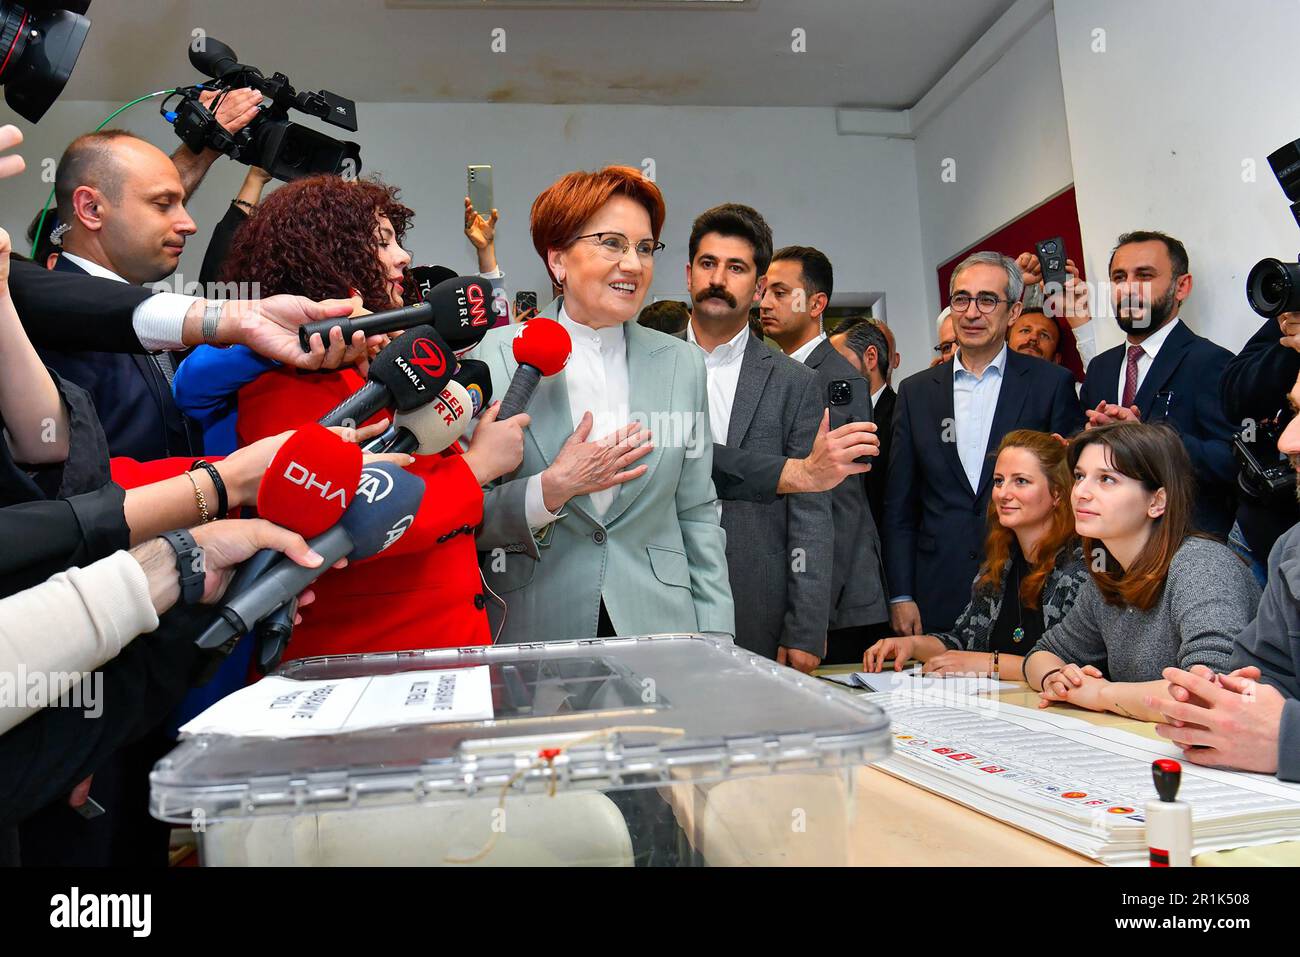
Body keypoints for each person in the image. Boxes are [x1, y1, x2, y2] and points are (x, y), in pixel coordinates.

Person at [225, 173, 528, 658]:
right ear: (327, 257)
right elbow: (339, 525)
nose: (404, 258)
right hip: (360, 661)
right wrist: (477, 468)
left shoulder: (392, 363)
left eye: (397, 241)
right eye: (383, 243)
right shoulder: (284, 381)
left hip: (440, 655)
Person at [472, 166, 734, 643]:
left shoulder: (681, 364)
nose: (633, 264)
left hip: (659, 626)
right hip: (535, 623)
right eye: (611, 243)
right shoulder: (494, 356)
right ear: (558, 260)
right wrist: (548, 490)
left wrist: (717, 636)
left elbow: (696, 511)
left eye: (644, 247)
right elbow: (464, 512)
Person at [885, 251, 1084, 636]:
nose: (971, 312)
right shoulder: (916, 393)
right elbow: (899, 506)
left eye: (987, 300)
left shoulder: (1050, 384)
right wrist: (900, 595)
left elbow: (1068, 496)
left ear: (1013, 313)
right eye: (961, 299)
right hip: (935, 590)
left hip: (1026, 587)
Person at [1024, 423, 1260, 721]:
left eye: (1107, 479)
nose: (1081, 492)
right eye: (1080, 476)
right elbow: (1041, 654)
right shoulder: (1107, 573)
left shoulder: (1202, 565)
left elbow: (1208, 694)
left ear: (1157, 501)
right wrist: (1057, 678)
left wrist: (1100, 694)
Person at [681, 209, 830, 671]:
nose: (718, 279)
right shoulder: (644, 363)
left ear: (759, 287)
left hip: (756, 597)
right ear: (688, 275)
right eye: (707, 264)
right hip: (656, 589)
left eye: (736, 268)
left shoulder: (796, 383)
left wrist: (805, 628)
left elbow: (812, 510)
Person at [1149, 367, 1300, 780]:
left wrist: (1286, 740)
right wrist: (1223, 703)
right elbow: (1272, 675)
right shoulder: (1292, 548)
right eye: (1294, 412)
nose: (1287, 442)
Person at [864, 430, 1087, 679]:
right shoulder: (1001, 565)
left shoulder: (1079, 570)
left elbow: (1070, 665)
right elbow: (962, 640)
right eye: (999, 480)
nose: (1003, 493)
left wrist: (991, 664)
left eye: (1021, 481)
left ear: (1057, 493)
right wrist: (912, 645)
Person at [36, 130, 204, 460]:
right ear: (92, 209)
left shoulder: (143, 305)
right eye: (162, 205)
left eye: (181, 204)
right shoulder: (51, 324)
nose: (188, 223)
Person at [761, 244, 888, 663]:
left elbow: (842, 507)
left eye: (780, 292)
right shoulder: (775, 372)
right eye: (763, 290)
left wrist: (809, 622)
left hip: (835, 607)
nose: (764, 302)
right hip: (794, 593)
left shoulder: (839, 381)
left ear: (816, 303)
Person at [1078, 231, 1237, 538]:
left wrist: (1148, 439)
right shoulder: (1101, 368)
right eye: (1119, 277)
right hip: (1108, 550)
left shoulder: (1212, 362)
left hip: (1185, 550)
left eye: (1145, 275)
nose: (1129, 288)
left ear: (1182, 286)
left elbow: (1230, 463)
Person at [1219, 310, 1300, 574]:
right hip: (1260, 530)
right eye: (1295, 409)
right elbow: (1235, 399)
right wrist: (1289, 347)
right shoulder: (1291, 317)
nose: (1287, 443)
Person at [832, 319, 895, 531]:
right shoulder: (832, 420)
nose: (832, 373)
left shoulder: (901, 414)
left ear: (870, 357)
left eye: (838, 362)